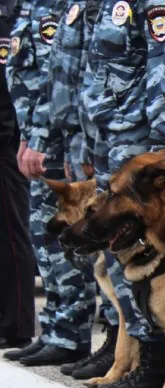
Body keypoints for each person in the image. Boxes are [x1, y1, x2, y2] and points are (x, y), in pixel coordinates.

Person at [80, 0, 165, 388]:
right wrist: (88, 139)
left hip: (138, 139)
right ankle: (131, 349)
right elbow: (95, 71)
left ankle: (153, 356)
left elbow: (160, 64)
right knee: (118, 252)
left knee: (143, 255)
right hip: (112, 135)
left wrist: (160, 147)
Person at [5, 0, 97, 367]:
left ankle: (72, 334)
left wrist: (41, 139)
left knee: (64, 243)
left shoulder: (60, 6)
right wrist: (28, 136)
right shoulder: (32, 6)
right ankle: (56, 328)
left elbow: (56, 80)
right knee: (45, 241)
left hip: (58, 141)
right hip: (39, 136)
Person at [0, 0, 36, 352]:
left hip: (7, 142)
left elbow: (7, 86)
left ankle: (17, 324)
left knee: (12, 235)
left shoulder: (7, 15)